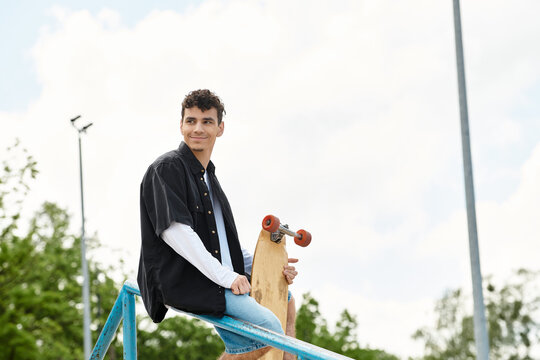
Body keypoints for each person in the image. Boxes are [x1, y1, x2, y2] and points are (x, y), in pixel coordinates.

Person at [137, 89, 298, 360]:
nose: (197, 128)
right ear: (181, 125)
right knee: (269, 331)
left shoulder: (209, 178)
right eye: (191, 121)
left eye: (207, 121)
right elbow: (176, 232)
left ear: (220, 128)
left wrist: (266, 267)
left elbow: (223, 242)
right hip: (185, 279)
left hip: (216, 275)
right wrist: (227, 277)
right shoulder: (166, 168)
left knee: (288, 303)